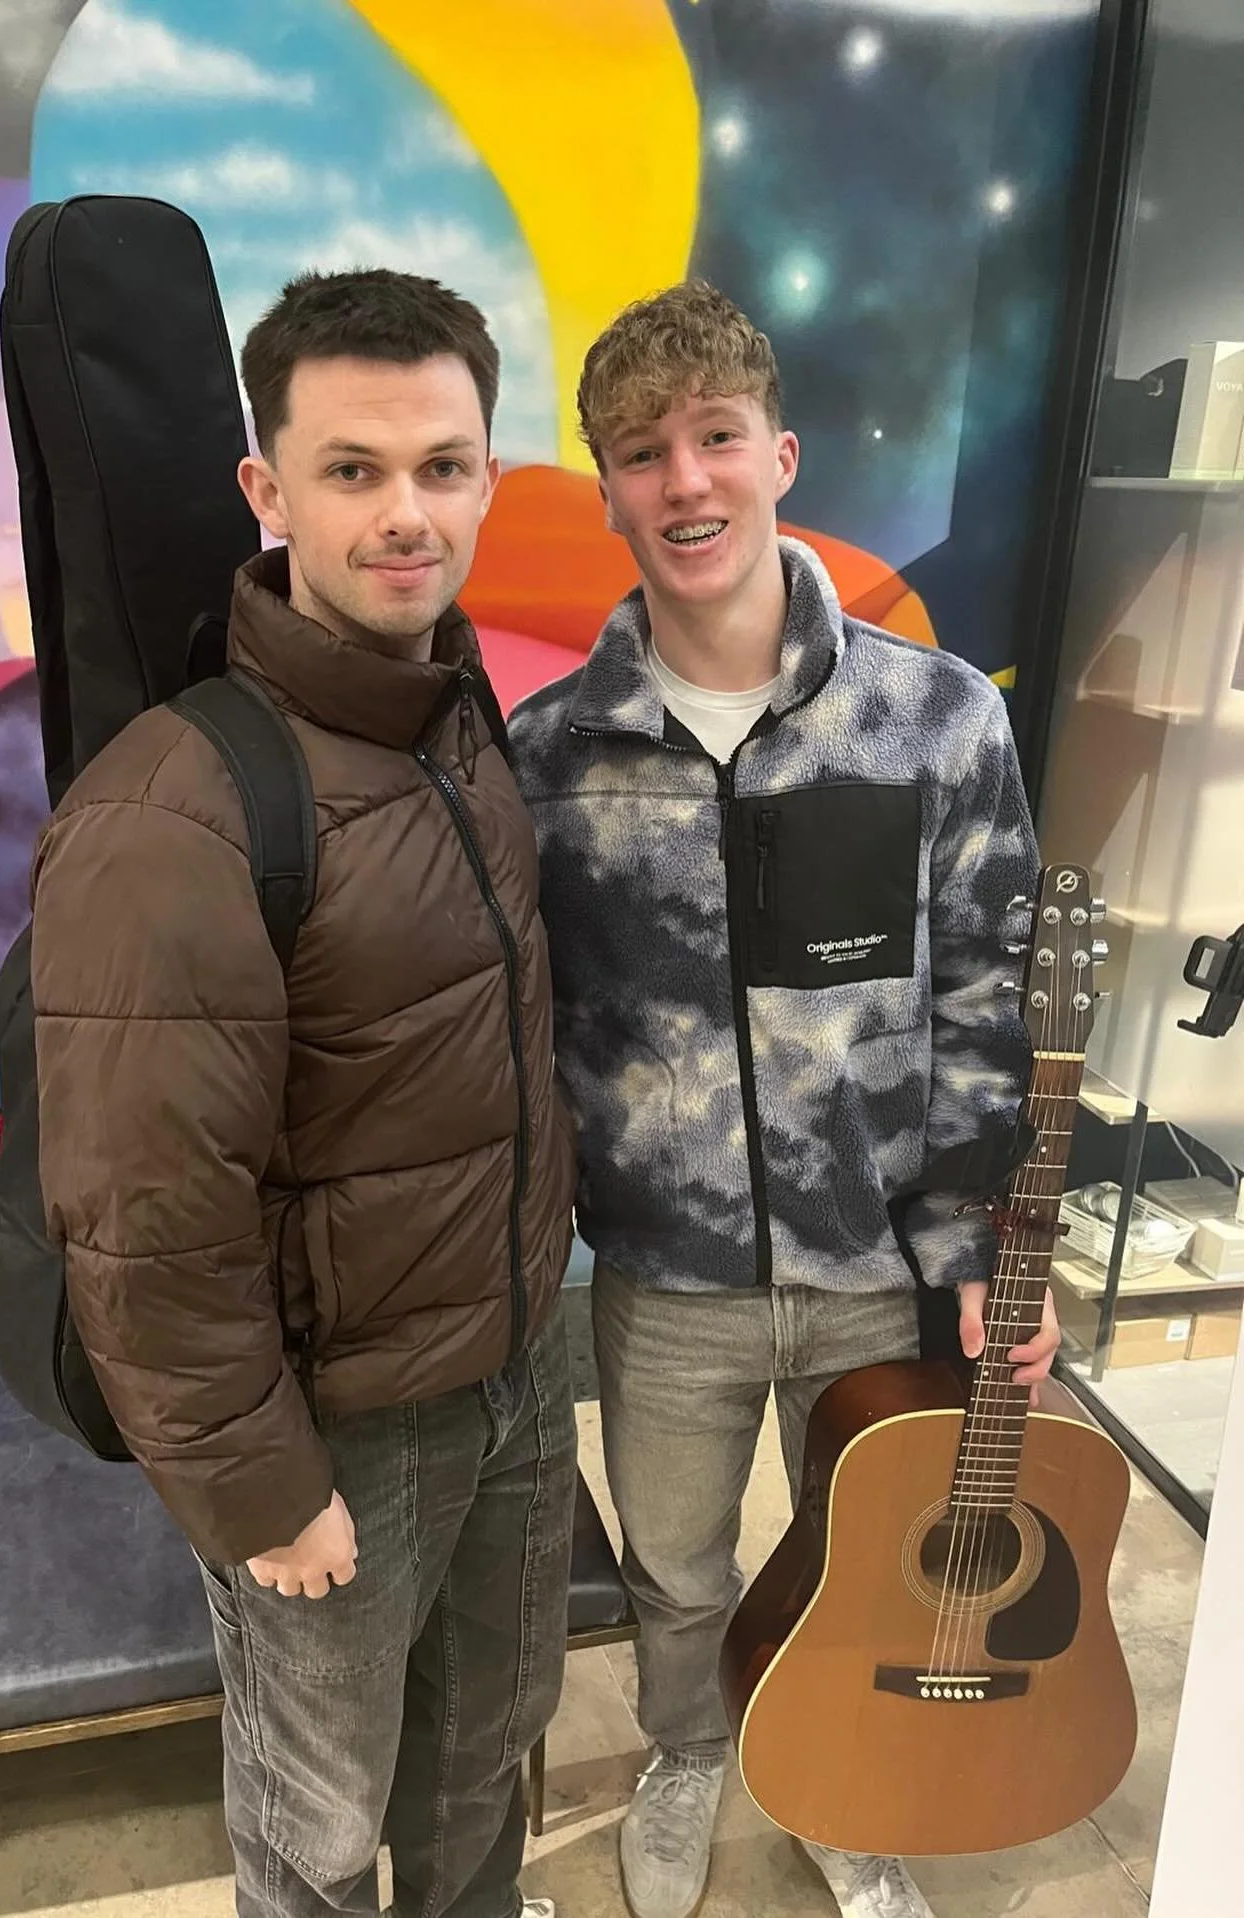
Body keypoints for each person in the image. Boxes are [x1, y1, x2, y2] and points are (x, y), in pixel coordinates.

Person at [29, 269, 578, 1918]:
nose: (407, 514)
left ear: (489, 475)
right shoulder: (181, 803)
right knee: (320, 1827)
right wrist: (263, 1487)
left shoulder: (459, 715)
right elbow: (142, 1215)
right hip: (340, 1431)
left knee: (489, 1751)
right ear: (269, 491)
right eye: (353, 469)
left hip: (513, 1369)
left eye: (443, 465)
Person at [508, 280, 1060, 1918]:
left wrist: (984, 1252)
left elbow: (993, 1003)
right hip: (664, 1279)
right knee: (676, 1567)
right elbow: (529, 1035)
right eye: (642, 452)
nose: (685, 482)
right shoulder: (547, 754)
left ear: (779, 455)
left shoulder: (937, 719)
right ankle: (691, 1748)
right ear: (606, 486)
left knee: (858, 1556)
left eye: (716, 440)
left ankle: (833, 1774)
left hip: (881, 1263)